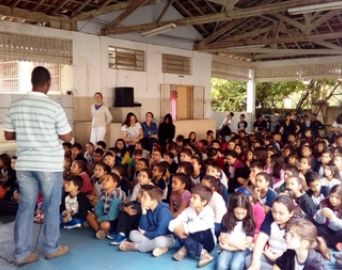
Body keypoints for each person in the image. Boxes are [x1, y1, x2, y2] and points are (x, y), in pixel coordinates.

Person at [4, 66, 73, 266]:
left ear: (32, 82)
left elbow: (8, 135)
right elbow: (67, 136)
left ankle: (22, 253)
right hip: (49, 164)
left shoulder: (16, 105)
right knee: (51, 206)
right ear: (48, 84)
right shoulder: (54, 107)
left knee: (26, 206)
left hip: (25, 164)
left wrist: (26, 133)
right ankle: (51, 248)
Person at [119, 185, 175, 257]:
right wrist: (144, 211)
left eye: (144, 197)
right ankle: (159, 248)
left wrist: (145, 234)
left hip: (166, 237)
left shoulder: (164, 211)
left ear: (153, 201)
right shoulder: (148, 209)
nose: (141, 199)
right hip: (151, 235)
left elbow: (160, 232)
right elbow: (142, 228)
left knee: (159, 241)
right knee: (132, 234)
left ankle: (136, 247)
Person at [168, 185, 216, 268]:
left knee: (200, 229)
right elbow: (172, 223)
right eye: (191, 196)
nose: (190, 199)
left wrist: (185, 228)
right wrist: (176, 229)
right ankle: (204, 254)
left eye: (194, 198)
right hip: (194, 241)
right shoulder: (189, 210)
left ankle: (186, 248)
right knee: (177, 229)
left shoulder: (209, 211)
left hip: (208, 243)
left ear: (203, 202)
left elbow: (204, 225)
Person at [217, 193, 255, 270]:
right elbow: (223, 237)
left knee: (235, 266)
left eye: (243, 213)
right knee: (221, 266)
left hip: (241, 248)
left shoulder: (250, 221)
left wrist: (232, 248)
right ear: (232, 210)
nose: (240, 216)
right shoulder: (226, 218)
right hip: (229, 246)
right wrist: (234, 246)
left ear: (248, 210)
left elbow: (247, 243)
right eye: (237, 213)